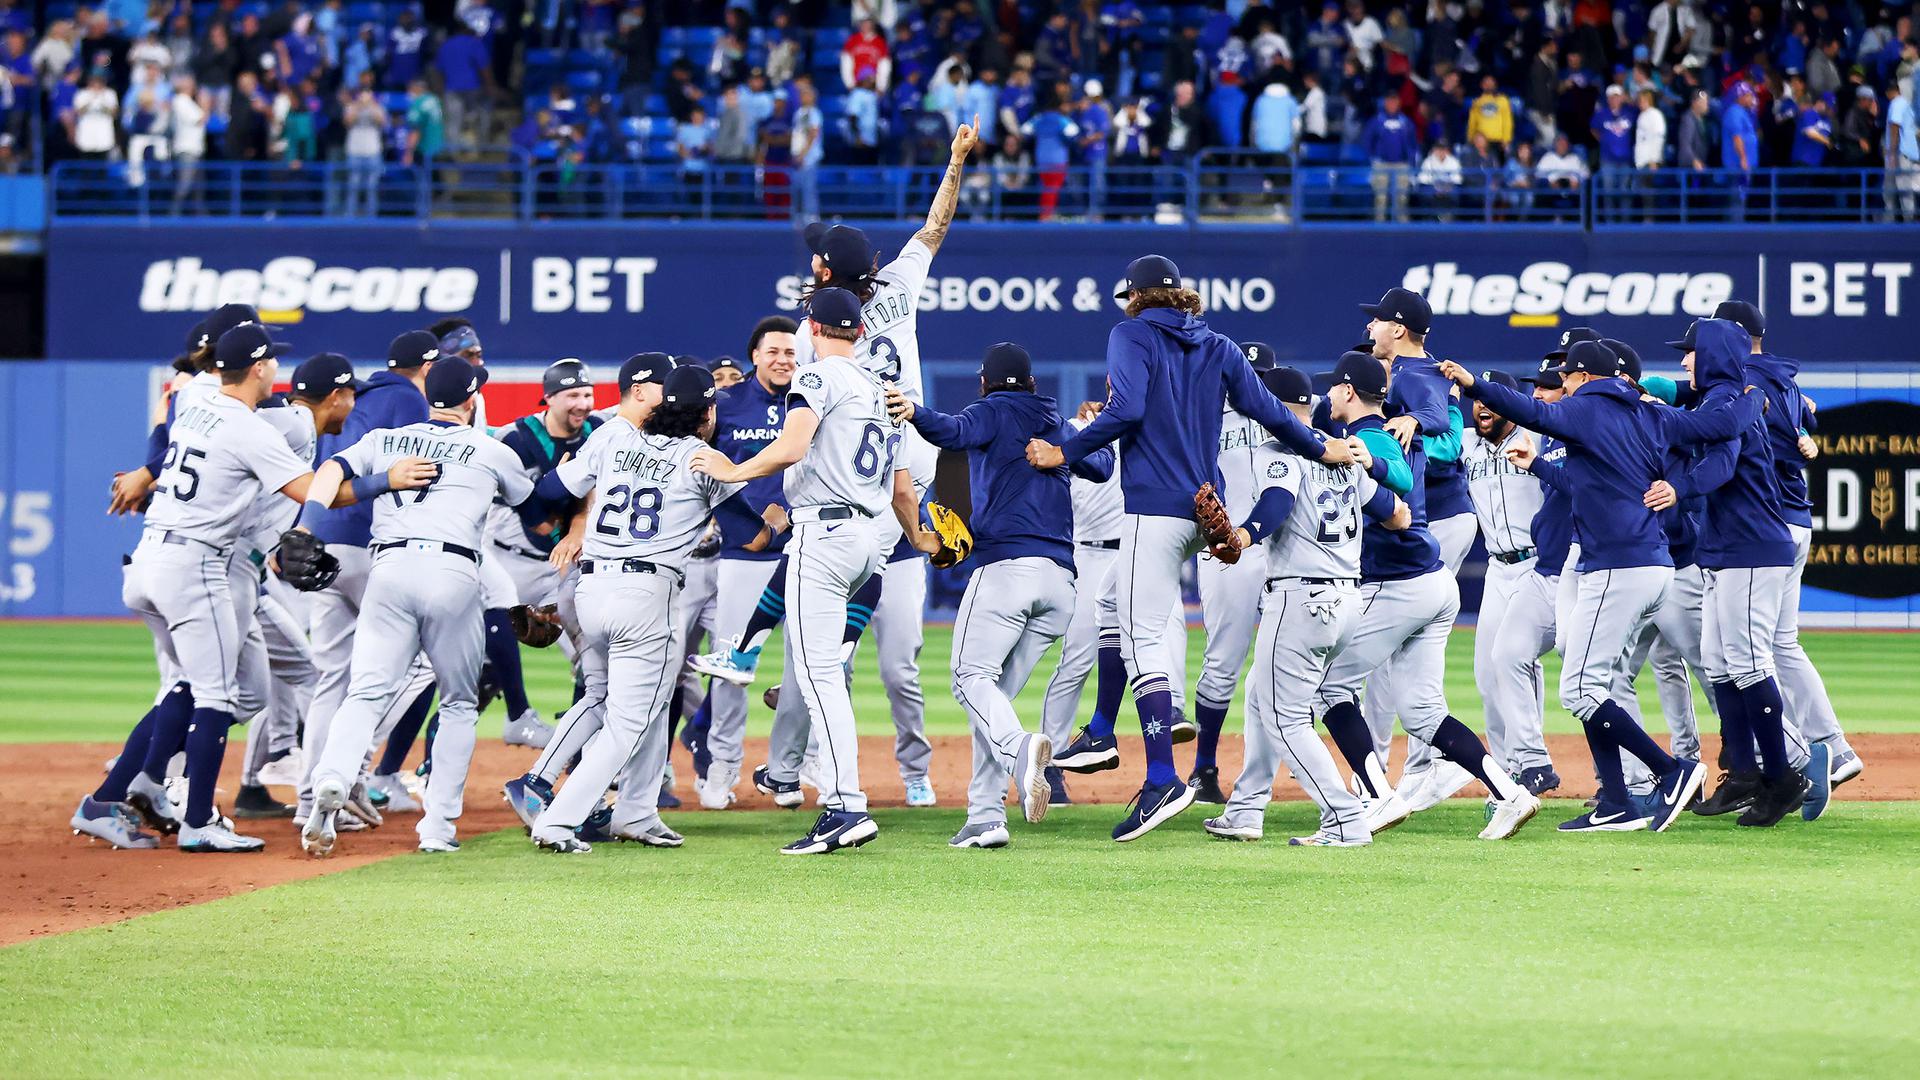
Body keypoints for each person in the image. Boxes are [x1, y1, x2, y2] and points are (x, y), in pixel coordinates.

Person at [1026, 254, 1352, 842]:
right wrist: (1319, 447)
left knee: (1139, 635)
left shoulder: (1130, 333)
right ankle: (1102, 725)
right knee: (1113, 606)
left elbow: (1125, 410)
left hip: (1155, 509)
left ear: (1137, 298)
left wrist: (1063, 453)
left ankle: (1160, 777)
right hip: (1206, 507)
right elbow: (1270, 411)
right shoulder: (1220, 345)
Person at [689, 288, 939, 856]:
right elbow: (902, 488)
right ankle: (818, 787)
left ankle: (846, 804)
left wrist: (733, 468)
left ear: (813, 327)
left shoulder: (817, 377)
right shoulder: (882, 390)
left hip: (823, 535)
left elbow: (792, 446)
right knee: (824, 673)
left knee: (819, 674)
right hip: (869, 538)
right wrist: (919, 536)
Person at [1441, 341, 1713, 833]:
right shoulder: (1647, 416)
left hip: (1616, 566)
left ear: (1586, 377)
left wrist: (1473, 384)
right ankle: (1616, 799)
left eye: (1566, 376)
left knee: (1582, 689)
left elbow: (1528, 410)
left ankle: (1672, 771)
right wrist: (1755, 396)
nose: (1561, 383)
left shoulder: (1588, 410)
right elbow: (1714, 427)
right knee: (1593, 678)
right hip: (1645, 565)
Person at [300, 357, 534, 856]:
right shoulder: (489, 449)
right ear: (471, 401)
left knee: (364, 693)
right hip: (452, 572)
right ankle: (438, 829)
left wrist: (304, 526)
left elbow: (327, 471)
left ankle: (333, 777)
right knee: (458, 703)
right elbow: (534, 507)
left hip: (388, 570)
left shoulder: (386, 440)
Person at [887, 343, 1114, 848]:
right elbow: (1101, 467)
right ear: (1033, 384)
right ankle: (985, 817)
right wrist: (1076, 435)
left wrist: (913, 411)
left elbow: (953, 431)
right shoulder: (1056, 421)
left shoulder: (992, 410)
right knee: (995, 700)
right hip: (1061, 585)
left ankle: (1021, 750)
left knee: (969, 681)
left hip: (1007, 570)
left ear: (985, 382)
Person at [524, 364, 747, 853]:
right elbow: (751, 535)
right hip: (645, 597)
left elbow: (548, 493)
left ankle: (637, 813)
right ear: (706, 412)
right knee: (629, 719)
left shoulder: (613, 439)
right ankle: (558, 821)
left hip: (591, 589)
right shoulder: (701, 457)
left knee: (646, 702)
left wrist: (563, 524)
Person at [1203, 364, 1413, 845]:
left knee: (1285, 716)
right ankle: (1247, 810)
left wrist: (1244, 532)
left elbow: (1276, 502)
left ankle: (1345, 817)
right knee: (1261, 697)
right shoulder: (1335, 451)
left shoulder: (1279, 449)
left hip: (1302, 598)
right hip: (1346, 599)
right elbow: (1395, 512)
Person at [1460, 370, 1552, 790]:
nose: (1482, 407)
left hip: (1538, 565)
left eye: (1492, 400)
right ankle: (1508, 770)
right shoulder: (1465, 445)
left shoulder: (1540, 440)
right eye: (1478, 399)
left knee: (1516, 659)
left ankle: (1532, 760)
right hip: (1498, 568)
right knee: (1486, 672)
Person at [1363, 95, 1419, 221]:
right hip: (1381, 164)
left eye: (1395, 102)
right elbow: (1367, 140)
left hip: (1401, 164)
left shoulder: (1406, 122)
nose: (1392, 105)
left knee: (1402, 197)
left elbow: (1413, 143)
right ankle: (1379, 225)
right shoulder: (1376, 120)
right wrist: (1373, 158)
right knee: (1380, 197)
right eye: (1390, 102)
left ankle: (1402, 226)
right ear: (1385, 103)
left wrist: (1411, 160)